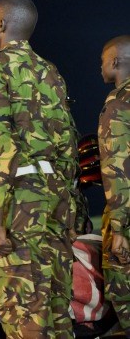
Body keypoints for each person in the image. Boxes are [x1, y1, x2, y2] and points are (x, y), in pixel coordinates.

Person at [0, 0, 78, 337]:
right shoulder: (51, 71)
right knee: (55, 303)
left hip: (21, 200)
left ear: (2, 25)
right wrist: (69, 207)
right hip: (56, 197)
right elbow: (68, 144)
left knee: (22, 308)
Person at [98, 34, 130, 334]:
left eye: (103, 61)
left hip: (127, 217)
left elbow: (117, 169)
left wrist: (118, 228)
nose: (101, 67)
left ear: (116, 62)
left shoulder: (118, 106)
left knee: (122, 291)